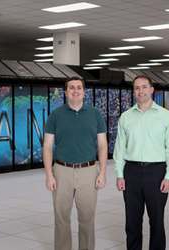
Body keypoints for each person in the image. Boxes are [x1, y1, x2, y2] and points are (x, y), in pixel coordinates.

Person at [113, 75, 169, 250]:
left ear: (151, 89)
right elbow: (119, 149)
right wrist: (120, 174)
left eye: (144, 87)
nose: (140, 91)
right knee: (132, 221)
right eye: (136, 88)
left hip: (156, 172)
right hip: (131, 172)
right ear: (134, 91)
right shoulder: (126, 117)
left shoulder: (166, 117)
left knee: (156, 220)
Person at [43, 76, 108, 250]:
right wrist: (49, 175)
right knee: (61, 217)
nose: (75, 90)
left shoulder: (95, 114)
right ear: (66, 92)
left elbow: (102, 145)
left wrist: (102, 172)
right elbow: (47, 146)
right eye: (71, 88)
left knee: (87, 218)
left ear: (84, 92)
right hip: (61, 171)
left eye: (79, 87)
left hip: (89, 171)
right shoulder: (55, 115)